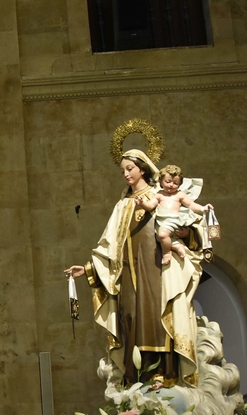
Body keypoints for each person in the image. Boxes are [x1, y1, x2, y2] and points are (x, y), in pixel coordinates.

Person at [65, 149, 203, 386]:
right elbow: (109, 247)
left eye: (129, 169)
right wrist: (89, 269)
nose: (126, 174)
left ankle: (164, 373)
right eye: (122, 171)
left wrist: (185, 232)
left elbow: (191, 224)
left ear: (143, 169)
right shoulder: (123, 206)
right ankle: (137, 377)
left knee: (157, 315)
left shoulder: (161, 195)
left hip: (157, 269)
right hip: (128, 272)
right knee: (130, 316)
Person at [136, 164, 213, 264]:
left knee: (162, 235)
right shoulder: (159, 195)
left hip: (174, 221)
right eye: (168, 181)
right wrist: (142, 203)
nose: (171, 185)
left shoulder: (179, 195)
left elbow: (192, 205)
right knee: (159, 236)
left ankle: (167, 253)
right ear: (161, 182)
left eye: (175, 183)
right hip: (163, 222)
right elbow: (150, 206)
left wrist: (203, 208)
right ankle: (176, 245)